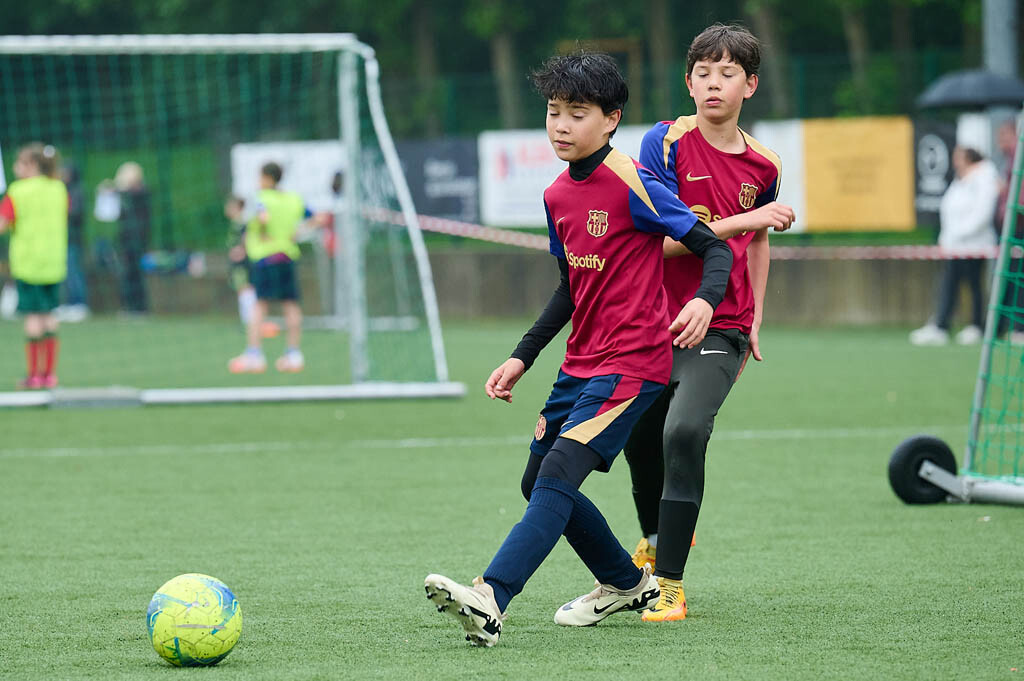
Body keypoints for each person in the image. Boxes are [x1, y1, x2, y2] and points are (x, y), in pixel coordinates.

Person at [423, 51, 733, 647]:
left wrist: (703, 301)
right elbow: (570, 287)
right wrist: (522, 356)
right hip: (579, 365)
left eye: (577, 113)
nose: (561, 125)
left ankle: (491, 595)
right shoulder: (556, 195)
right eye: (553, 111)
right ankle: (624, 582)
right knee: (537, 480)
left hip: (635, 365)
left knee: (559, 472)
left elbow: (712, 247)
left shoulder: (634, 181)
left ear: (611, 119)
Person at [559, 23, 794, 623]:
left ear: (750, 85)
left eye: (728, 74)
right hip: (654, 322)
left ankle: (669, 583)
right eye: (703, 73)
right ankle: (652, 540)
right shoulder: (663, 142)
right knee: (641, 437)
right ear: (688, 82)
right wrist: (745, 221)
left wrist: (756, 316)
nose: (714, 84)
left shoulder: (765, 164)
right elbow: (660, 243)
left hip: (722, 323)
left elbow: (758, 243)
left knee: (685, 431)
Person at [910, 146, 1000, 346]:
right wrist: (949, 238)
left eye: (959, 157)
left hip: (974, 245)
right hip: (955, 246)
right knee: (949, 283)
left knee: (974, 285)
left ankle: (975, 325)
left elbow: (982, 213)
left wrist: (960, 234)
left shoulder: (984, 178)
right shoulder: (960, 180)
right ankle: (942, 324)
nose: (955, 162)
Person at [228, 162, 309, 373]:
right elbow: (316, 217)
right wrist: (298, 232)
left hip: (266, 259)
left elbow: (262, 217)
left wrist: (261, 232)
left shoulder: (260, 198)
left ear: (267, 178)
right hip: (287, 256)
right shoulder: (293, 199)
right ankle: (294, 355)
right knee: (291, 305)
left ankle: (254, 355)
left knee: (259, 306)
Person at [0, 143, 69, 388]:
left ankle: (34, 376)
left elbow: (2, 224)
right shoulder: (59, 189)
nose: (14, 167)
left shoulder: (17, 191)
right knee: (49, 316)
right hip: (54, 264)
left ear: (32, 165)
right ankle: (49, 374)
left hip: (28, 265)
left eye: (19, 163)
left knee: (32, 318)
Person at [995, 120, 1024, 343]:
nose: (1000, 142)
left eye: (1004, 136)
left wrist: (1009, 211)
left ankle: (1019, 327)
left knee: (1017, 277)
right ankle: (1006, 327)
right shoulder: (1010, 159)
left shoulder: (1018, 156)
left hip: (1018, 225)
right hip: (1013, 225)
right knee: (1010, 277)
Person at [114, 161, 151, 315]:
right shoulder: (126, 197)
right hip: (126, 240)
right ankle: (130, 306)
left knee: (136, 274)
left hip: (137, 240)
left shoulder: (141, 194)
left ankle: (139, 307)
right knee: (127, 273)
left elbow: (136, 195)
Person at [58, 162, 89, 321]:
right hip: (61, 239)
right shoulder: (61, 190)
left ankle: (79, 304)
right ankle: (69, 303)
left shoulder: (77, 191)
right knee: (64, 273)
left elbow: (75, 213)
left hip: (73, 239)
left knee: (74, 271)